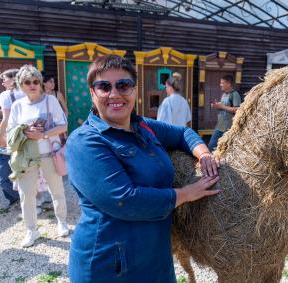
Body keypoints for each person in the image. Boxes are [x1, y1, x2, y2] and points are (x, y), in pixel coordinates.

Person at [66, 55, 220, 282]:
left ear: (134, 90)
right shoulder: (85, 142)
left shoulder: (143, 126)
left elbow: (182, 133)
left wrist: (204, 154)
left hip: (155, 256)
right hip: (111, 262)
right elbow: (124, 200)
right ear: (92, 93)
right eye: (104, 87)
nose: (115, 94)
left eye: (123, 85)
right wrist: (187, 194)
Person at [7, 65, 69, 247]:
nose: (32, 85)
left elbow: (63, 126)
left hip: (49, 154)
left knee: (57, 190)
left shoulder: (50, 101)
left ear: (40, 83)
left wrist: (43, 135)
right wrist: (25, 131)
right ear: (21, 85)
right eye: (27, 82)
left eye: (36, 81)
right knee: (27, 195)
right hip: (27, 157)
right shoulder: (18, 106)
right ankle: (31, 230)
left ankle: (62, 222)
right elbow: (11, 131)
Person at [0, 69, 25, 209]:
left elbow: (6, 118)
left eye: (4, 79)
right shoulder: (29, 92)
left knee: (6, 176)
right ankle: (30, 198)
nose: (2, 82)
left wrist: (0, 137)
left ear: (13, 79)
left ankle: (18, 198)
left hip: (11, 136)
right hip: (27, 136)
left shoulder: (5, 95)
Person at [208, 74, 242, 151]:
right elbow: (224, 106)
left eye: (222, 83)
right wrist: (216, 105)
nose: (220, 85)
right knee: (211, 147)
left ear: (229, 84)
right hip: (220, 126)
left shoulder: (235, 94)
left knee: (224, 150)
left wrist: (222, 106)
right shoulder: (224, 94)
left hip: (228, 128)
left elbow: (238, 109)